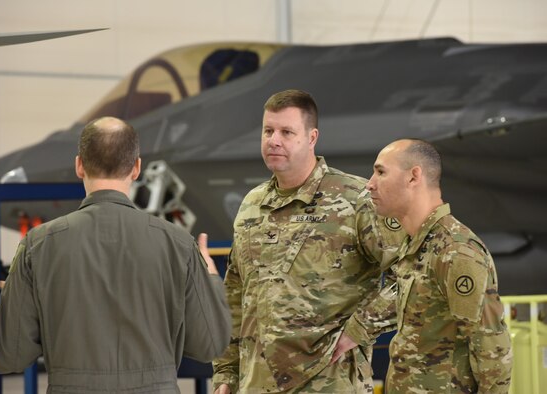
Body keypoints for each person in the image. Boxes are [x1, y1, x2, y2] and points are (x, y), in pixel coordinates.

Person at [0, 116, 231, 393]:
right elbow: (210, 344)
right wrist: (210, 279)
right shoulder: (178, 244)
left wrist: (19, 303)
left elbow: (7, 356)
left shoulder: (38, 245)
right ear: (136, 168)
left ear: (79, 165)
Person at [212, 89, 404, 393]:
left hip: (329, 383)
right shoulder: (253, 204)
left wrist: (361, 328)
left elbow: (411, 274)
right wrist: (226, 372)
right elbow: (235, 294)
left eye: (287, 132)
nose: (274, 140)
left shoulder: (355, 200)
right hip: (255, 383)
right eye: (268, 131)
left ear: (312, 137)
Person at [366, 138, 512, 393]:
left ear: (413, 177)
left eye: (381, 172)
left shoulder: (455, 250)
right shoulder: (414, 245)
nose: (370, 184)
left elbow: (491, 348)